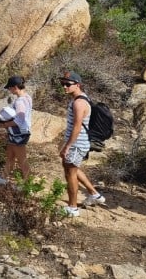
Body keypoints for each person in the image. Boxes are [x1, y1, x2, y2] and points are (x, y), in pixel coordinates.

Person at [59, 71, 105, 217]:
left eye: (67, 84)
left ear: (77, 85)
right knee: (73, 168)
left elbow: (77, 127)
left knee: (70, 174)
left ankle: (73, 207)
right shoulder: (79, 98)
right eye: (62, 83)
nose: (64, 87)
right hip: (77, 143)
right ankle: (94, 194)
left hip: (77, 144)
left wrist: (67, 146)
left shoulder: (79, 102)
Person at [0, 76, 33, 185]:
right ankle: (3, 176)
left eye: (10, 88)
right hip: (19, 132)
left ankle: (28, 185)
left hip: (19, 133)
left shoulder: (20, 101)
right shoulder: (27, 97)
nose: (9, 90)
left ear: (15, 87)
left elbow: (19, 120)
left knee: (22, 160)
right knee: (10, 155)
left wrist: (4, 124)